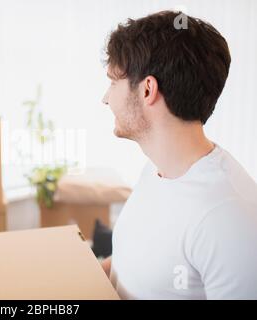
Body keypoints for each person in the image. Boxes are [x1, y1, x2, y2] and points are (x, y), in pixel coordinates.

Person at [100, 11, 257, 299]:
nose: (105, 98)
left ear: (148, 89)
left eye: (112, 82)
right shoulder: (157, 169)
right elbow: (139, 267)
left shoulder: (229, 217)